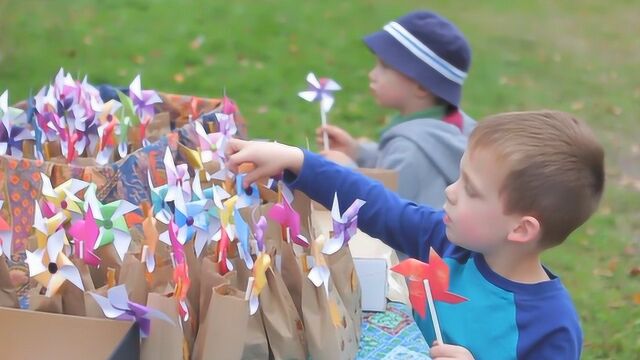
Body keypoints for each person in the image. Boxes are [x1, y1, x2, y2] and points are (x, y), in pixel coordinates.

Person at [227, 110, 604, 359]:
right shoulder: (448, 244)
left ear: (521, 229)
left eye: (470, 190)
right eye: (459, 177)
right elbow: (379, 207)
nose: (450, 191)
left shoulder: (551, 327)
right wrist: (299, 160)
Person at [317, 10, 475, 207]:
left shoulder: (411, 151)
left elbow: (391, 215)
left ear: (422, 86)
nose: (372, 74)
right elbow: (399, 172)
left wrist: (347, 172)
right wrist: (359, 153)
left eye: (384, 66)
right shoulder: (448, 129)